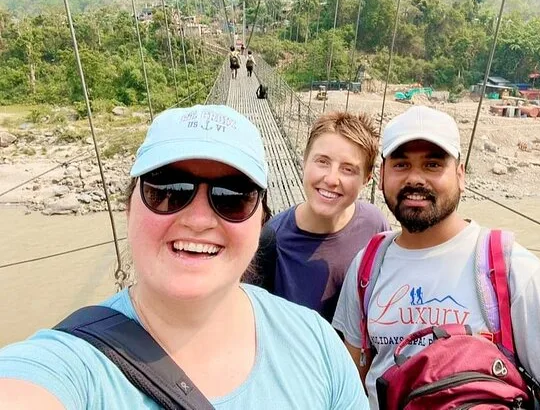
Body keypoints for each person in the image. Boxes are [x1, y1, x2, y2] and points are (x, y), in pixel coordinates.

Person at [0, 105, 368, 409]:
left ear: (260, 224)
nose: (198, 220)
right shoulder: (73, 364)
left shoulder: (317, 344)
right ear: (128, 209)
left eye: (232, 197)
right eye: (167, 191)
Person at [333, 105, 540, 410]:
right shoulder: (367, 267)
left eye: (433, 165)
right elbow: (351, 383)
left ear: (460, 175)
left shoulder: (514, 271)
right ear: (382, 176)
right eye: (401, 165)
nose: (415, 179)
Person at [255, 111, 389, 322]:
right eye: (322, 162)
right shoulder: (271, 240)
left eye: (348, 169)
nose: (331, 179)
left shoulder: (374, 225)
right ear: (304, 161)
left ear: (367, 178)